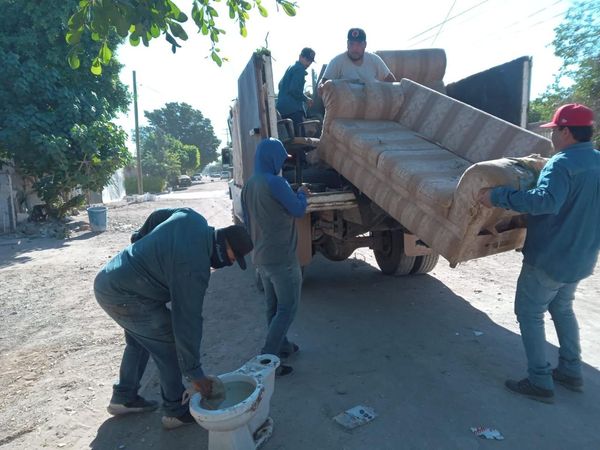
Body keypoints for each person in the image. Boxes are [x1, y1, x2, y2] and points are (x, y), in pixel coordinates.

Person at [478, 103, 600, 403]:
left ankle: (539, 380)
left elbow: (545, 201)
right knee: (562, 307)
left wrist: (496, 196)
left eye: (554, 131)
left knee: (529, 313)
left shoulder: (561, 164)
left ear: (566, 131)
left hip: (550, 256)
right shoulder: (597, 161)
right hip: (581, 255)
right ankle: (571, 370)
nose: (551, 138)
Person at [94, 208, 253, 429]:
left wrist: (139, 241)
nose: (231, 263)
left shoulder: (192, 217)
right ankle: (174, 411)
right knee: (169, 343)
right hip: (126, 295)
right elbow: (187, 320)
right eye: (232, 258)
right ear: (223, 243)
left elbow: (157, 217)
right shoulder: (194, 268)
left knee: (140, 339)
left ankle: (124, 396)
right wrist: (194, 372)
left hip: (110, 279)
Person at [242, 138, 309, 376]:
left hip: (261, 256)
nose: (282, 163)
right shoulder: (276, 183)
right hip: (281, 256)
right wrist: (301, 193)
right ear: (273, 158)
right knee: (288, 307)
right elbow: (298, 210)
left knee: (273, 306)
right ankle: (266, 360)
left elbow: (249, 221)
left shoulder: (249, 185)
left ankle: (282, 345)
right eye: (281, 158)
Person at [319, 27, 395, 93]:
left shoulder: (374, 60)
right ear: (347, 44)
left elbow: (391, 81)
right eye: (351, 44)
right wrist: (321, 87)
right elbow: (322, 86)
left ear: (365, 45)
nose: (354, 48)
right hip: (345, 108)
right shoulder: (336, 62)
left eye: (358, 44)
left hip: (371, 107)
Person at [276, 47, 316, 135]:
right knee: (300, 141)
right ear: (300, 57)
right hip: (293, 111)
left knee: (290, 140)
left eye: (310, 61)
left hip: (281, 111)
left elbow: (280, 85)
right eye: (307, 59)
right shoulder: (300, 70)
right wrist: (306, 99)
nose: (308, 63)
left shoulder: (291, 68)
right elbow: (294, 90)